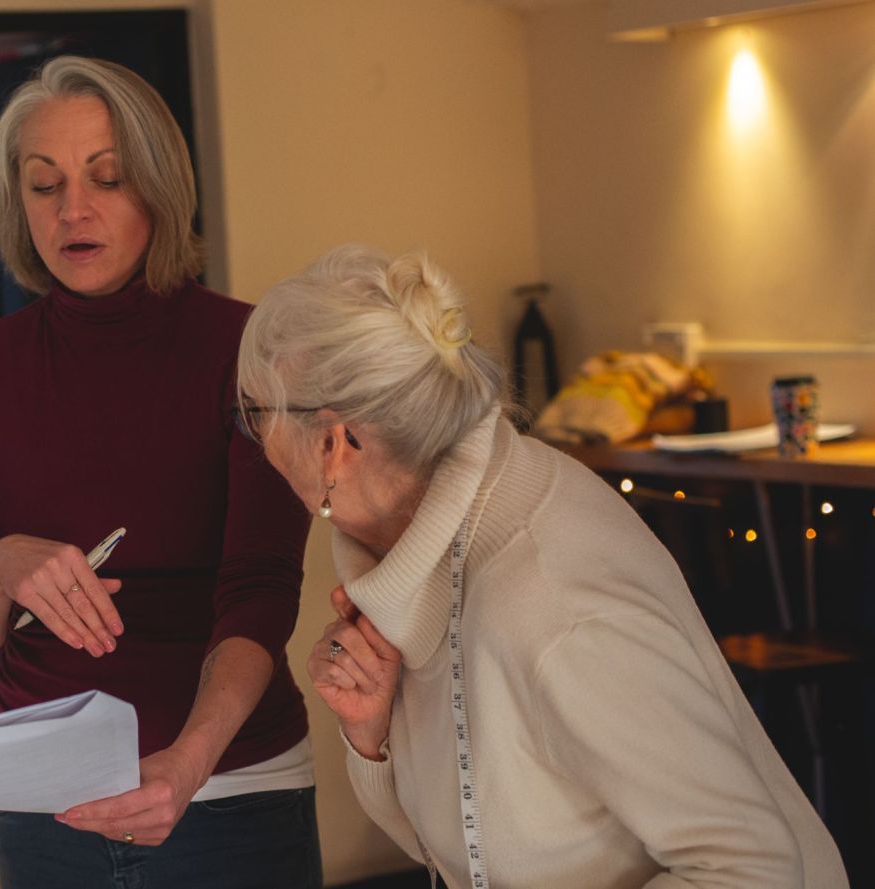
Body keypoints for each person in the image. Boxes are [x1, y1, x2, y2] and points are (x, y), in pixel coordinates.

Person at [236, 243, 848, 888]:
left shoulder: (553, 607)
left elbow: (754, 872)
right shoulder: (419, 555)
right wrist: (374, 737)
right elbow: (460, 854)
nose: (252, 440)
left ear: (333, 445)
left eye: (255, 413)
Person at [0, 56, 321, 888]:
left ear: (160, 189)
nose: (73, 209)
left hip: (232, 788)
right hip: (44, 805)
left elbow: (263, 590)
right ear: (16, 204)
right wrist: (0, 566)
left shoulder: (253, 353)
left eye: (108, 176)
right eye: (43, 183)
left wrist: (187, 762)